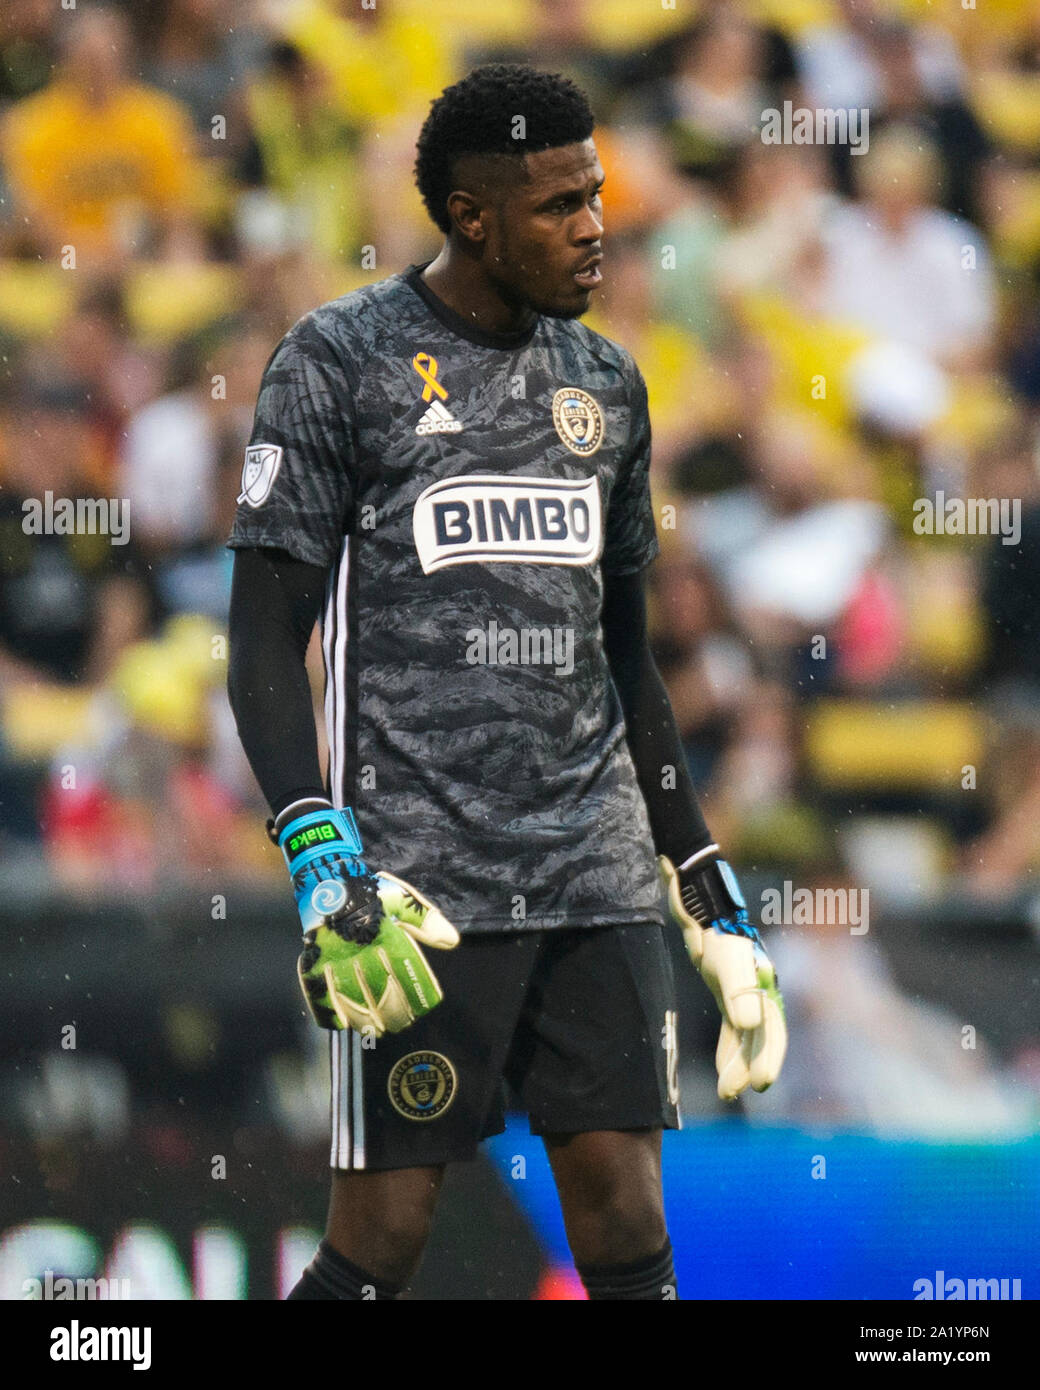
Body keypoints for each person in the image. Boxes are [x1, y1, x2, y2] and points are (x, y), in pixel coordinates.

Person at [226, 63, 786, 1303]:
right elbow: (263, 640)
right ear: (470, 216)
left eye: (596, 195)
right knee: (383, 1239)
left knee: (628, 1219)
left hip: (591, 868)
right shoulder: (335, 362)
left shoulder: (607, 384)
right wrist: (320, 857)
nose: (594, 225)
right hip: (418, 885)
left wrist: (705, 885)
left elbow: (624, 653)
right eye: (557, 205)